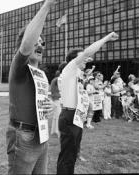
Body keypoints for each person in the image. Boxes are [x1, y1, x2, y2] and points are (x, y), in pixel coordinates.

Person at [57, 32, 119, 174]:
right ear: (74, 60)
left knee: (71, 157)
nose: (86, 60)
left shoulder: (76, 73)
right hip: (69, 117)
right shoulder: (69, 69)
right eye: (82, 58)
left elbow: (86, 62)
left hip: (76, 117)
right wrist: (107, 37)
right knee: (67, 158)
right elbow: (88, 52)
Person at [7, 0, 56, 174]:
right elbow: (27, 44)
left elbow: (40, 101)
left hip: (41, 135)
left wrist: (50, 105)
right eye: (37, 40)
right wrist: (48, 5)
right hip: (23, 137)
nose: (40, 45)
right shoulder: (19, 66)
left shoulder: (41, 73)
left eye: (42, 43)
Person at [50, 62, 67, 138]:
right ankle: (57, 132)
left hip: (55, 98)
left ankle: (54, 131)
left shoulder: (55, 79)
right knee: (58, 116)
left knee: (56, 116)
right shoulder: (58, 79)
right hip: (57, 99)